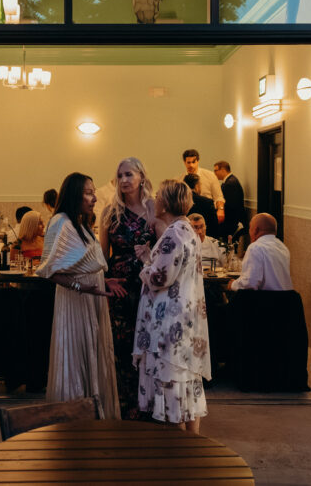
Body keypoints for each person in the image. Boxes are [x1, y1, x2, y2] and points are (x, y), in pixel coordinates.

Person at [36, 172, 123, 418]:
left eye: (94, 192)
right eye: (88, 192)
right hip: (75, 302)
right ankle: (74, 418)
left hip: (91, 297)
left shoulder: (80, 223)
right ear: (74, 195)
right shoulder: (60, 223)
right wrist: (81, 288)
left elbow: (84, 264)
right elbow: (49, 271)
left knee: (92, 354)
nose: (95, 197)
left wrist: (104, 279)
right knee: (75, 358)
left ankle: (93, 410)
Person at [132, 179, 211, 433]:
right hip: (184, 315)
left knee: (172, 382)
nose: (154, 200)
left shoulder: (173, 233)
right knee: (185, 381)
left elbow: (159, 278)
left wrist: (145, 263)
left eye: (157, 196)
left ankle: (180, 448)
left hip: (169, 321)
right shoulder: (188, 230)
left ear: (165, 203)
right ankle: (193, 441)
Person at [99, 157, 158, 420]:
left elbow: (167, 247)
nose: (124, 180)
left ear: (141, 177)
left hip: (149, 288)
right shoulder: (110, 212)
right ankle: (126, 407)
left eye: (129, 175)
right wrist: (104, 283)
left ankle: (151, 407)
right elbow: (102, 256)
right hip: (120, 290)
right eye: (120, 175)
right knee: (123, 349)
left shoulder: (155, 208)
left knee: (148, 346)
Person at [227, 213, 292, 292]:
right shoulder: (282, 247)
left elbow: (250, 283)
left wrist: (233, 284)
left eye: (250, 228)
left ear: (256, 230)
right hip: (287, 300)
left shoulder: (256, 247)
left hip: (265, 301)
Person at [181, 149, 224, 224]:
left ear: (198, 161)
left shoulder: (210, 176)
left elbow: (218, 196)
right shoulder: (180, 180)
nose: (191, 165)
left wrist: (220, 210)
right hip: (188, 218)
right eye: (188, 162)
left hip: (207, 214)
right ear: (184, 163)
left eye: (193, 162)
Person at [214, 160, 248, 245]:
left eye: (215, 170)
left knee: (229, 246)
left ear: (223, 170)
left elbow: (230, 205)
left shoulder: (230, 183)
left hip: (231, 222)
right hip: (231, 221)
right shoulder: (229, 181)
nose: (214, 173)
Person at [183, 174, 221, 239]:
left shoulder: (180, 202)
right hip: (204, 239)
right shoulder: (207, 202)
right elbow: (214, 227)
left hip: (185, 239)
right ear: (197, 186)